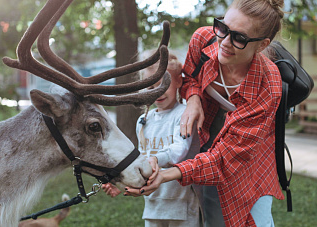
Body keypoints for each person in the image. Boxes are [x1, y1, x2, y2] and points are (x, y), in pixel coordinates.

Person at [125, 0, 286, 226]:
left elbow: (225, 160)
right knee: (213, 214)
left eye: (239, 38)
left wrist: (168, 174)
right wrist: (193, 99)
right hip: (207, 139)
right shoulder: (203, 39)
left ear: (261, 45)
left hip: (246, 152)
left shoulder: (267, 84)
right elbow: (189, 77)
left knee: (252, 215)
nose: (225, 42)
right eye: (222, 28)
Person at [103, 50, 201, 227]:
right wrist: (121, 182)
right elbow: (142, 160)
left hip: (183, 206)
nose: (158, 91)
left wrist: (156, 158)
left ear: (178, 80)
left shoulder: (184, 114)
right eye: (150, 87)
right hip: (153, 205)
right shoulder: (143, 121)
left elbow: (180, 150)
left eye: (163, 84)